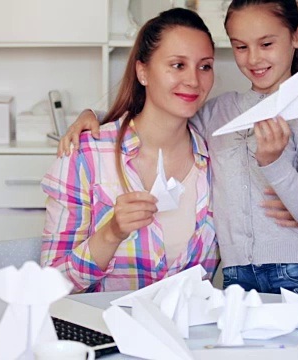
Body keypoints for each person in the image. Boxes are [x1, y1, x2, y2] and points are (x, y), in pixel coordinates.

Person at [57, 0, 298, 301]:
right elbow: (163, 114)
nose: (254, 58)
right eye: (240, 47)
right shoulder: (220, 112)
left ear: (297, 36)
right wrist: (97, 116)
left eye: (267, 43)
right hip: (238, 276)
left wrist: (275, 164)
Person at [40, 8, 219, 293]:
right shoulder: (86, 156)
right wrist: (111, 233)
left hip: (188, 335)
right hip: (103, 333)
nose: (194, 81)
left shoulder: (216, 161)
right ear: (143, 71)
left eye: (205, 66)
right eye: (177, 65)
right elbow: (50, 285)